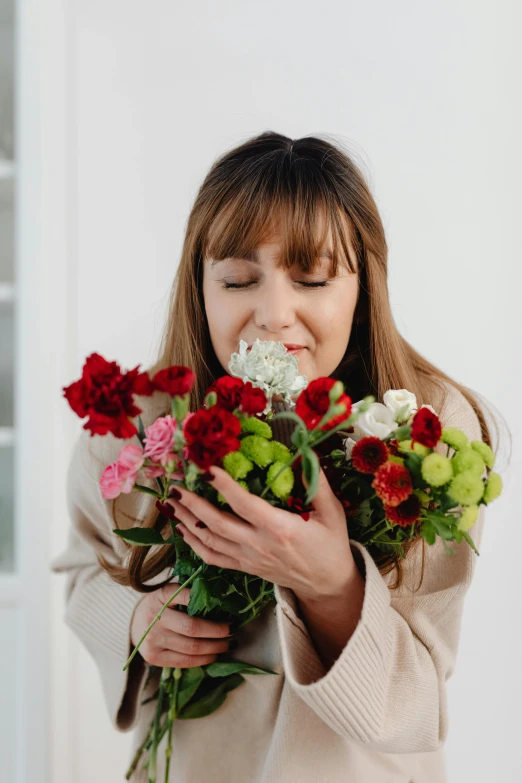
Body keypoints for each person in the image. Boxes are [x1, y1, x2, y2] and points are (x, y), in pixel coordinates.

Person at [51, 131, 503, 782]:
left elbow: (415, 695)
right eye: (238, 279)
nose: (273, 313)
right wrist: (132, 620)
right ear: (200, 284)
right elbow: (80, 566)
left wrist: (330, 584)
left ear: (363, 285)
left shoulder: (427, 429)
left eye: (312, 277)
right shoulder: (143, 423)